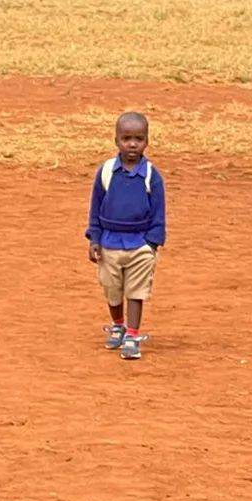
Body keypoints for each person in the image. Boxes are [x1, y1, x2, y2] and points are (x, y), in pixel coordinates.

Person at [85, 112, 166, 360]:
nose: (132, 144)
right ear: (116, 140)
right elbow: (95, 207)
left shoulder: (152, 175)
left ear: (147, 141)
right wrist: (94, 238)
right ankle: (118, 325)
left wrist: (151, 243)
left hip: (140, 243)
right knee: (112, 289)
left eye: (139, 139)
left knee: (136, 291)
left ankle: (132, 334)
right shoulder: (107, 172)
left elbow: (159, 212)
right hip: (109, 242)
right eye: (126, 138)